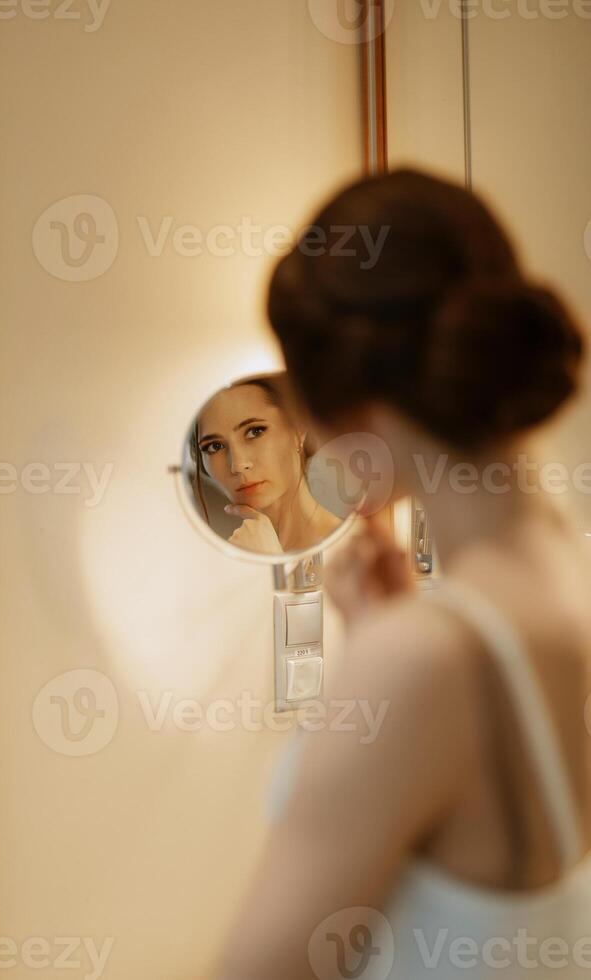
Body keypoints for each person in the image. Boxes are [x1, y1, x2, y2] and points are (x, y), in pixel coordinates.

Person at [212, 169, 591, 979]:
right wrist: (380, 636)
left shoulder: (423, 660)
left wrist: (383, 655)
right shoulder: (563, 577)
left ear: (341, 409)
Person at [192, 374, 341, 555]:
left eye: (255, 431)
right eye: (214, 446)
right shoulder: (220, 565)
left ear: (298, 428)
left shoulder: (358, 551)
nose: (238, 465)